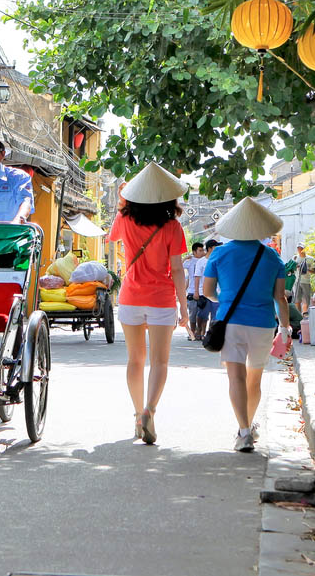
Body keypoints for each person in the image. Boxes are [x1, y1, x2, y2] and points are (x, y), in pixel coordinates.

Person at [106, 161, 188, 445]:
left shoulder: (126, 220)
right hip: (161, 300)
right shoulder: (173, 227)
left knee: (135, 360)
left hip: (130, 297)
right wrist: (184, 308)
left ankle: (136, 413)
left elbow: (111, 236)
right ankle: (150, 411)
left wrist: (121, 201)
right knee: (160, 361)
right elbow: (177, 269)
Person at [202, 198, 291, 453]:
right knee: (254, 380)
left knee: (236, 378)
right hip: (263, 325)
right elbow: (280, 297)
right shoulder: (273, 257)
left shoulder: (219, 253)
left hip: (231, 323)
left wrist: (226, 300)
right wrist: (284, 329)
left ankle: (243, 432)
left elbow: (207, 291)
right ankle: (249, 426)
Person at [192, 238, 222, 343]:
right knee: (202, 315)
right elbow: (197, 277)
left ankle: (210, 334)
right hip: (203, 292)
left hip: (217, 293)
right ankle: (199, 329)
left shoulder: (218, 260)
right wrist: (196, 291)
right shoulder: (201, 262)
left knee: (215, 315)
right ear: (210, 248)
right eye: (215, 246)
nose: (218, 248)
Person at [182, 241, 205, 340]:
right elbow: (178, 266)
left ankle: (200, 332)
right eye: (200, 250)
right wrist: (185, 258)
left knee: (202, 314)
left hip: (203, 291)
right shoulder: (190, 261)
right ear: (194, 252)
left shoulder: (205, 260)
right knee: (193, 314)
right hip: (192, 291)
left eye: (202, 250)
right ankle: (192, 333)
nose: (202, 252)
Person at [293, 242, 315, 316]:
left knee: (306, 300)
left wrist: (306, 269)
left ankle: (304, 315)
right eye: (298, 248)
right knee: (297, 300)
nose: (300, 250)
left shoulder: (310, 259)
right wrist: (295, 267)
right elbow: (291, 269)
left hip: (306, 282)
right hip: (297, 281)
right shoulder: (295, 258)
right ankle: (299, 316)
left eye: (301, 248)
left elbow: (314, 271)